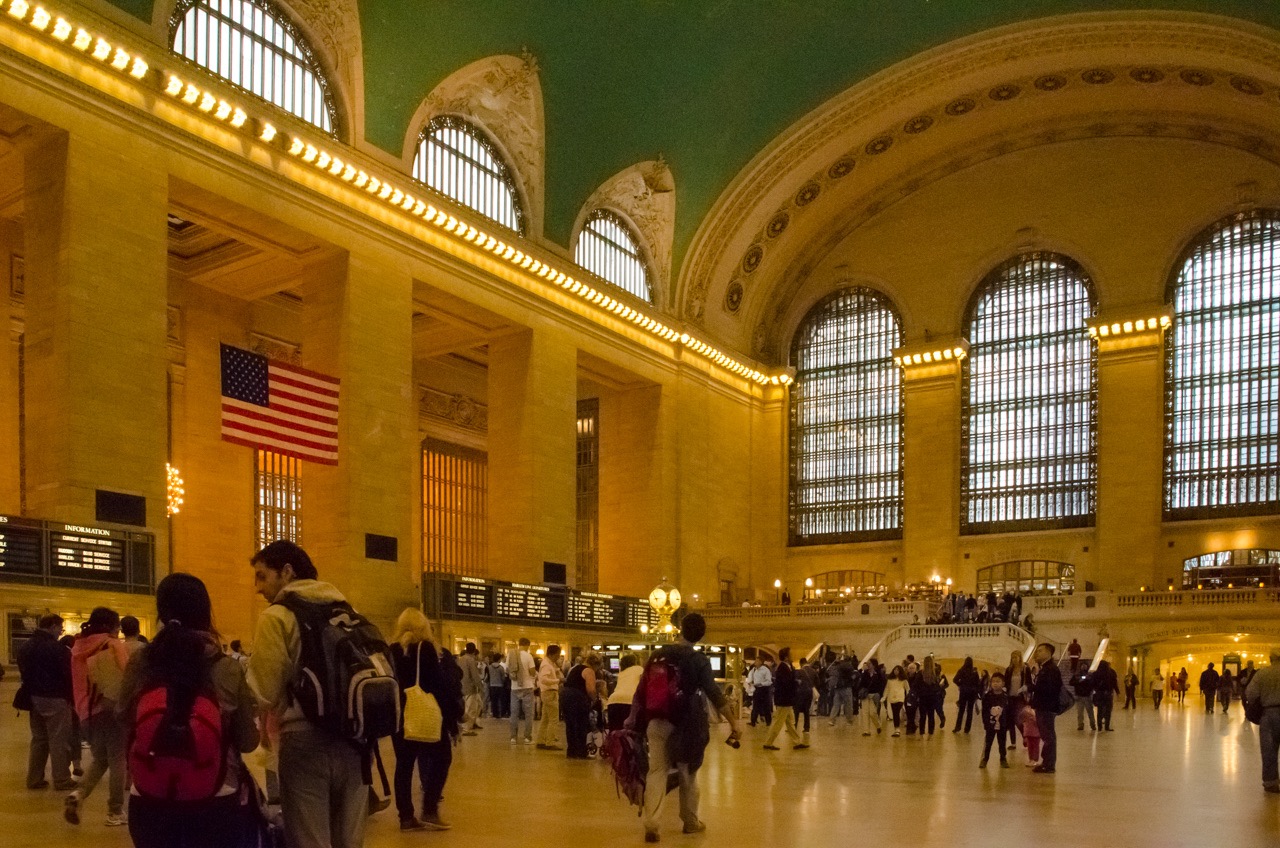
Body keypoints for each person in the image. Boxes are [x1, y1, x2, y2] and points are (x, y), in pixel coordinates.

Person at [117, 573, 260, 847]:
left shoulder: (140, 661)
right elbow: (247, 742)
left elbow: (123, 717)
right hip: (216, 794)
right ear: (205, 611)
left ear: (161, 611)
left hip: (149, 793)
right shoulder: (227, 667)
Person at [246, 539, 371, 848]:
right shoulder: (348, 611)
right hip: (356, 741)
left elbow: (264, 690)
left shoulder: (277, 617)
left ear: (286, 572)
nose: (258, 588)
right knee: (349, 842)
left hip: (304, 743)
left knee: (310, 841)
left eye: (262, 576)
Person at [630, 613, 742, 843]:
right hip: (686, 724)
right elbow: (714, 693)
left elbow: (641, 690)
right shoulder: (698, 660)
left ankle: (652, 821)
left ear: (680, 629)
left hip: (657, 719)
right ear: (701, 635)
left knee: (656, 771)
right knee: (687, 772)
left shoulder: (658, 654)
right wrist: (733, 722)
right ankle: (690, 821)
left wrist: (633, 720)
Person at [388, 608, 460, 831]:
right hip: (424, 713)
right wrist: (452, 719)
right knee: (442, 757)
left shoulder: (391, 650)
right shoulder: (425, 648)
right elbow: (439, 687)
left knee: (404, 765)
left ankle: (406, 818)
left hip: (400, 716)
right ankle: (429, 809)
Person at [66, 606, 130, 827]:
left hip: (85, 713)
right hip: (110, 709)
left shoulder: (77, 648)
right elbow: (127, 675)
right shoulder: (111, 645)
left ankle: (78, 794)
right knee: (118, 760)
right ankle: (115, 811)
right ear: (112, 625)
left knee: (101, 759)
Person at [17, 613, 76, 791]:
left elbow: (23, 671)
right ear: (51, 626)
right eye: (60, 628)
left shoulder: (25, 647)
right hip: (56, 698)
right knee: (58, 740)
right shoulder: (57, 649)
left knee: (39, 740)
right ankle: (62, 779)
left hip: (33, 698)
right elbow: (68, 675)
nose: (60, 632)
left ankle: (34, 779)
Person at [1245, 649, 1280, 793]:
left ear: (1271, 658)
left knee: (1269, 749)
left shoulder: (1262, 673)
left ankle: (1271, 782)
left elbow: (1250, 694)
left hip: (1269, 714)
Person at [1028, 642, 1062, 774]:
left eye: (1040, 651)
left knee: (1048, 736)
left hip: (1046, 707)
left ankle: (1048, 764)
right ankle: (1047, 763)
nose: (1037, 653)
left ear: (1048, 652)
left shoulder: (1051, 669)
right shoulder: (1045, 668)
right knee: (1047, 736)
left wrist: (1032, 688)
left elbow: (1049, 689)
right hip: (1044, 706)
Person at [762, 647, 806, 750]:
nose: (792, 655)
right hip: (784, 700)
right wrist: (796, 682)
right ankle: (768, 743)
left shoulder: (787, 666)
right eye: (790, 654)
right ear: (786, 657)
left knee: (790, 722)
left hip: (786, 699)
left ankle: (797, 742)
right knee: (778, 723)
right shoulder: (782, 668)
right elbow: (785, 683)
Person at [562, 652, 603, 758]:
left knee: (570, 725)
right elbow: (590, 689)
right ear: (596, 665)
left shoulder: (575, 668)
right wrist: (595, 700)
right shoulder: (589, 670)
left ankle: (571, 751)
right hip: (577, 697)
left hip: (565, 696)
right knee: (581, 724)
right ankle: (581, 751)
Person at [535, 644, 565, 750]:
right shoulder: (547, 665)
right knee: (553, 719)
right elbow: (543, 679)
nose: (558, 657)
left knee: (545, 719)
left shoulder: (548, 663)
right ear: (552, 654)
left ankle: (541, 740)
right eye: (557, 654)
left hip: (546, 693)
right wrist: (558, 680)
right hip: (550, 693)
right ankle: (550, 742)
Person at [978, 672, 1010, 769]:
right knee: (988, 742)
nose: (995, 684)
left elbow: (1009, 711)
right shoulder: (988, 696)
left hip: (1002, 724)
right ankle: (985, 759)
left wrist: (1007, 724)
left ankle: (1003, 758)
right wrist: (985, 723)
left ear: (1003, 683)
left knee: (1002, 742)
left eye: (998, 681)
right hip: (990, 724)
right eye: (993, 681)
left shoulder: (1006, 697)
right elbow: (984, 711)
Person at [508, 638, 537, 743]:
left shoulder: (510, 655)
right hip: (527, 687)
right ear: (527, 645)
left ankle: (513, 737)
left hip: (514, 687)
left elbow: (508, 670)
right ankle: (527, 737)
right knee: (528, 714)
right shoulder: (528, 656)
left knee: (514, 713)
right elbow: (532, 672)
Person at [607, 653, 643, 730]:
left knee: (615, 733)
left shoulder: (621, 673)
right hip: (629, 701)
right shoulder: (639, 669)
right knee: (631, 732)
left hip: (613, 701)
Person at [458, 642, 484, 736]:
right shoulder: (471, 660)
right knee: (471, 708)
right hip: (470, 687)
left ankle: (468, 725)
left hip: (461, 686)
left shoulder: (460, 659)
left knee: (467, 707)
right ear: (474, 650)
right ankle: (467, 728)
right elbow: (474, 675)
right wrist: (481, 687)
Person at [1067, 656, 1096, 732]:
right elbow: (1071, 683)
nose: (1083, 667)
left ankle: (1092, 724)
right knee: (1080, 712)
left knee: (1090, 711)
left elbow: (1093, 684)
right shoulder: (1077, 675)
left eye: (1085, 665)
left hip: (1087, 696)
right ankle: (1080, 725)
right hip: (1079, 696)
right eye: (1082, 666)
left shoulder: (1090, 676)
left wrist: (1087, 681)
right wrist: (1078, 681)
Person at [953, 656, 980, 734]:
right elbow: (977, 683)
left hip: (963, 692)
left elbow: (955, 680)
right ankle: (967, 729)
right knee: (970, 711)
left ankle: (957, 727)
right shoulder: (974, 672)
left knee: (961, 711)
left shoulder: (961, 670)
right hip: (972, 693)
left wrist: (961, 684)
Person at [794, 657, 816, 745]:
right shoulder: (813, 671)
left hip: (800, 693)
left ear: (800, 663)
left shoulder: (799, 671)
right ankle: (806, 728)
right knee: (806, 711)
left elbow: (795, 682)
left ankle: (794, 726)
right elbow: (817, 682)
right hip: (809, 693)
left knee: (796, 710)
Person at [827, 655, 855, 726]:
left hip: (837, 687)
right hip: (846, 687)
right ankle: (849, 720)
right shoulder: (848, 666)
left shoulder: (837, 665)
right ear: (849, 660)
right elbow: (852, 676)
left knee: (836, 704)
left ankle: (832, 720)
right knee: (848, 704)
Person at [857, 660, 883, 737]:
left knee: (872, 713)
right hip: (865, 695)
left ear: (874, 665)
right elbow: (861, 684)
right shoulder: (865, 673)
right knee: (865, 713)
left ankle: (878, 725)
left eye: (870, 663)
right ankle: (866, 731)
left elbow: (881, 685)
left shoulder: (878, 674)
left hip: (874, 695)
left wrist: (879, 694)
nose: (868, 665)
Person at [1092, 659, 1119, 731]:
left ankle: (1099, 726)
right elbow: (1114, 683)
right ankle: (1107, 726)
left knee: (1100, 710)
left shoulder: (1096, 674)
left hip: (1099, 693)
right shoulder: (1111, 673)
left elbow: (1092, 684)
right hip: (1108, 694)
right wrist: (1117, 691)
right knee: (1108, 711)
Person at [748, 657, 773, 727]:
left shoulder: (765, 670)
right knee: (755, 706)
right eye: (755, 660)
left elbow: (769, 681)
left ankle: (768, 721)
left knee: (766, 706)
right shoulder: (754, 670)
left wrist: (761, 683)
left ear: (761, 662)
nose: (755, 662)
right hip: (757, 689)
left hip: (764, 689)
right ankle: (753, 721)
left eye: (757, 661)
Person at [884, 666, 907, 737]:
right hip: (892, 698)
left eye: (897, 670)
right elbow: (887, 689)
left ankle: (897, 729)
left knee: (896, 712)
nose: (896, 671)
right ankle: (896, 729)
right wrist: (884, 697)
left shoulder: (904, 680)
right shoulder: (890, 680)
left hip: (900, 698)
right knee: (895, 713)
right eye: (895, 670)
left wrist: (908, 697)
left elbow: (907, 688)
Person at [487, 653, 509, 719]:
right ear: (499, 659)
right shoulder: (501, 667)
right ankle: (501, 713)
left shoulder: (490, 667)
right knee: (501, 700)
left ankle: (495, 714)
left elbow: (488, 676)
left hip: (492, 685)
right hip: (500, 685)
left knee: (494, 701)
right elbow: (503, 677)